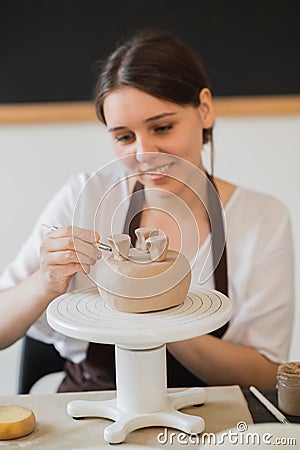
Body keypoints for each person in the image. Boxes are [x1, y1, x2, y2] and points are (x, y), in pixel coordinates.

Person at [0, 29, 294, 390]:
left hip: (208, 421)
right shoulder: (84, 196)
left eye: (163, 127)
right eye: (124, 137)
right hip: (92, 415)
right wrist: (43, 283)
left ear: (204, 109)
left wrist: (159, 312)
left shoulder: (262, 218)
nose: (144, 152)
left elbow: (265, 376)